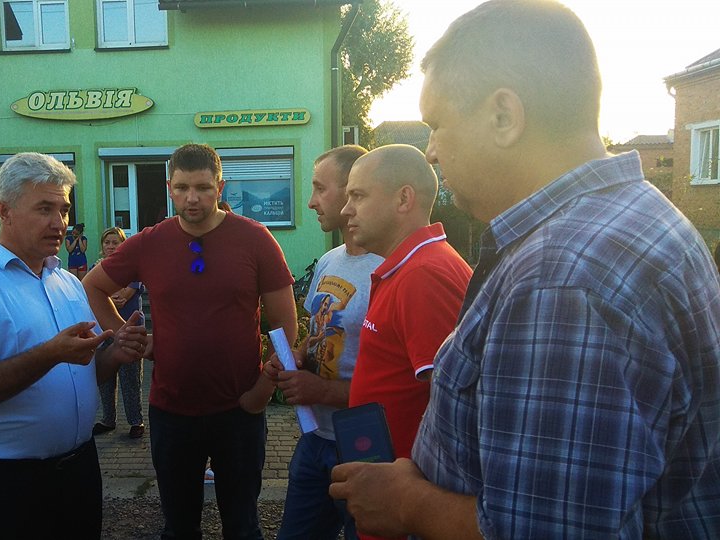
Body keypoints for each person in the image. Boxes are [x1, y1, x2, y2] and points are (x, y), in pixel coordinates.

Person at [330, 2, 720, 538]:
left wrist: (407, 503)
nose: (433, 152)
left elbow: (548, 530)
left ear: (504, 116)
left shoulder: (562, 278)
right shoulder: (634, 217)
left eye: (437, 125)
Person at [84, 143, 298, 540]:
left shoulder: (254, 239)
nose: (192, 198)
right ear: (170, 188)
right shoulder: (150, 242)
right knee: (179, 527)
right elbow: (93, 286)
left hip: (238, 410)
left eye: (202, 187)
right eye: (182, 188)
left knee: (243, 526)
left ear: (221, 186)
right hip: (172, 411)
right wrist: (126, 336)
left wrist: (263, 391)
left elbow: (285, 326)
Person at [0, 153, 147, 539]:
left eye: (64, 210)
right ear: (4, 211)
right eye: (44, 209)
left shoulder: (67, 282)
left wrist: (116, 354)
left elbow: (82, 373)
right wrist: (49, 355)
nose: (59, 223)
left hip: (78, 471)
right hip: (3, 484)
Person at [270, 145, 383, 540]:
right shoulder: (329, 260)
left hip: (365, 446)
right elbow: (319, 332)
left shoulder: (389, 270)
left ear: (352, 191)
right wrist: (295, 359)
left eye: (320, 188)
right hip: (314, 436)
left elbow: (401, 386)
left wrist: (321, 390)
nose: (311, 202)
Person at [342, 144, 471, 464]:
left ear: (403, 199)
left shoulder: (423, 274)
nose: (346, 210)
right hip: (389, 472)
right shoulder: (412, 266)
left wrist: (413, 485)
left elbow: (453, 403)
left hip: (405, 477)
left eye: (358, 196)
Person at [92, 226, 147, 439]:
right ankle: (108, 419)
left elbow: (124, 296)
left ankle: (136, 421)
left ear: (123, 244)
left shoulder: (133, 268)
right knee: (106, 380)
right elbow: (91, 293)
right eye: (107, 242)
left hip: (130, 330)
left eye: (115, 242)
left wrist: (105, 295)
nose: (111, 246)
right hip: (104, 331)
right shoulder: (96, 268)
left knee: (130, 379)